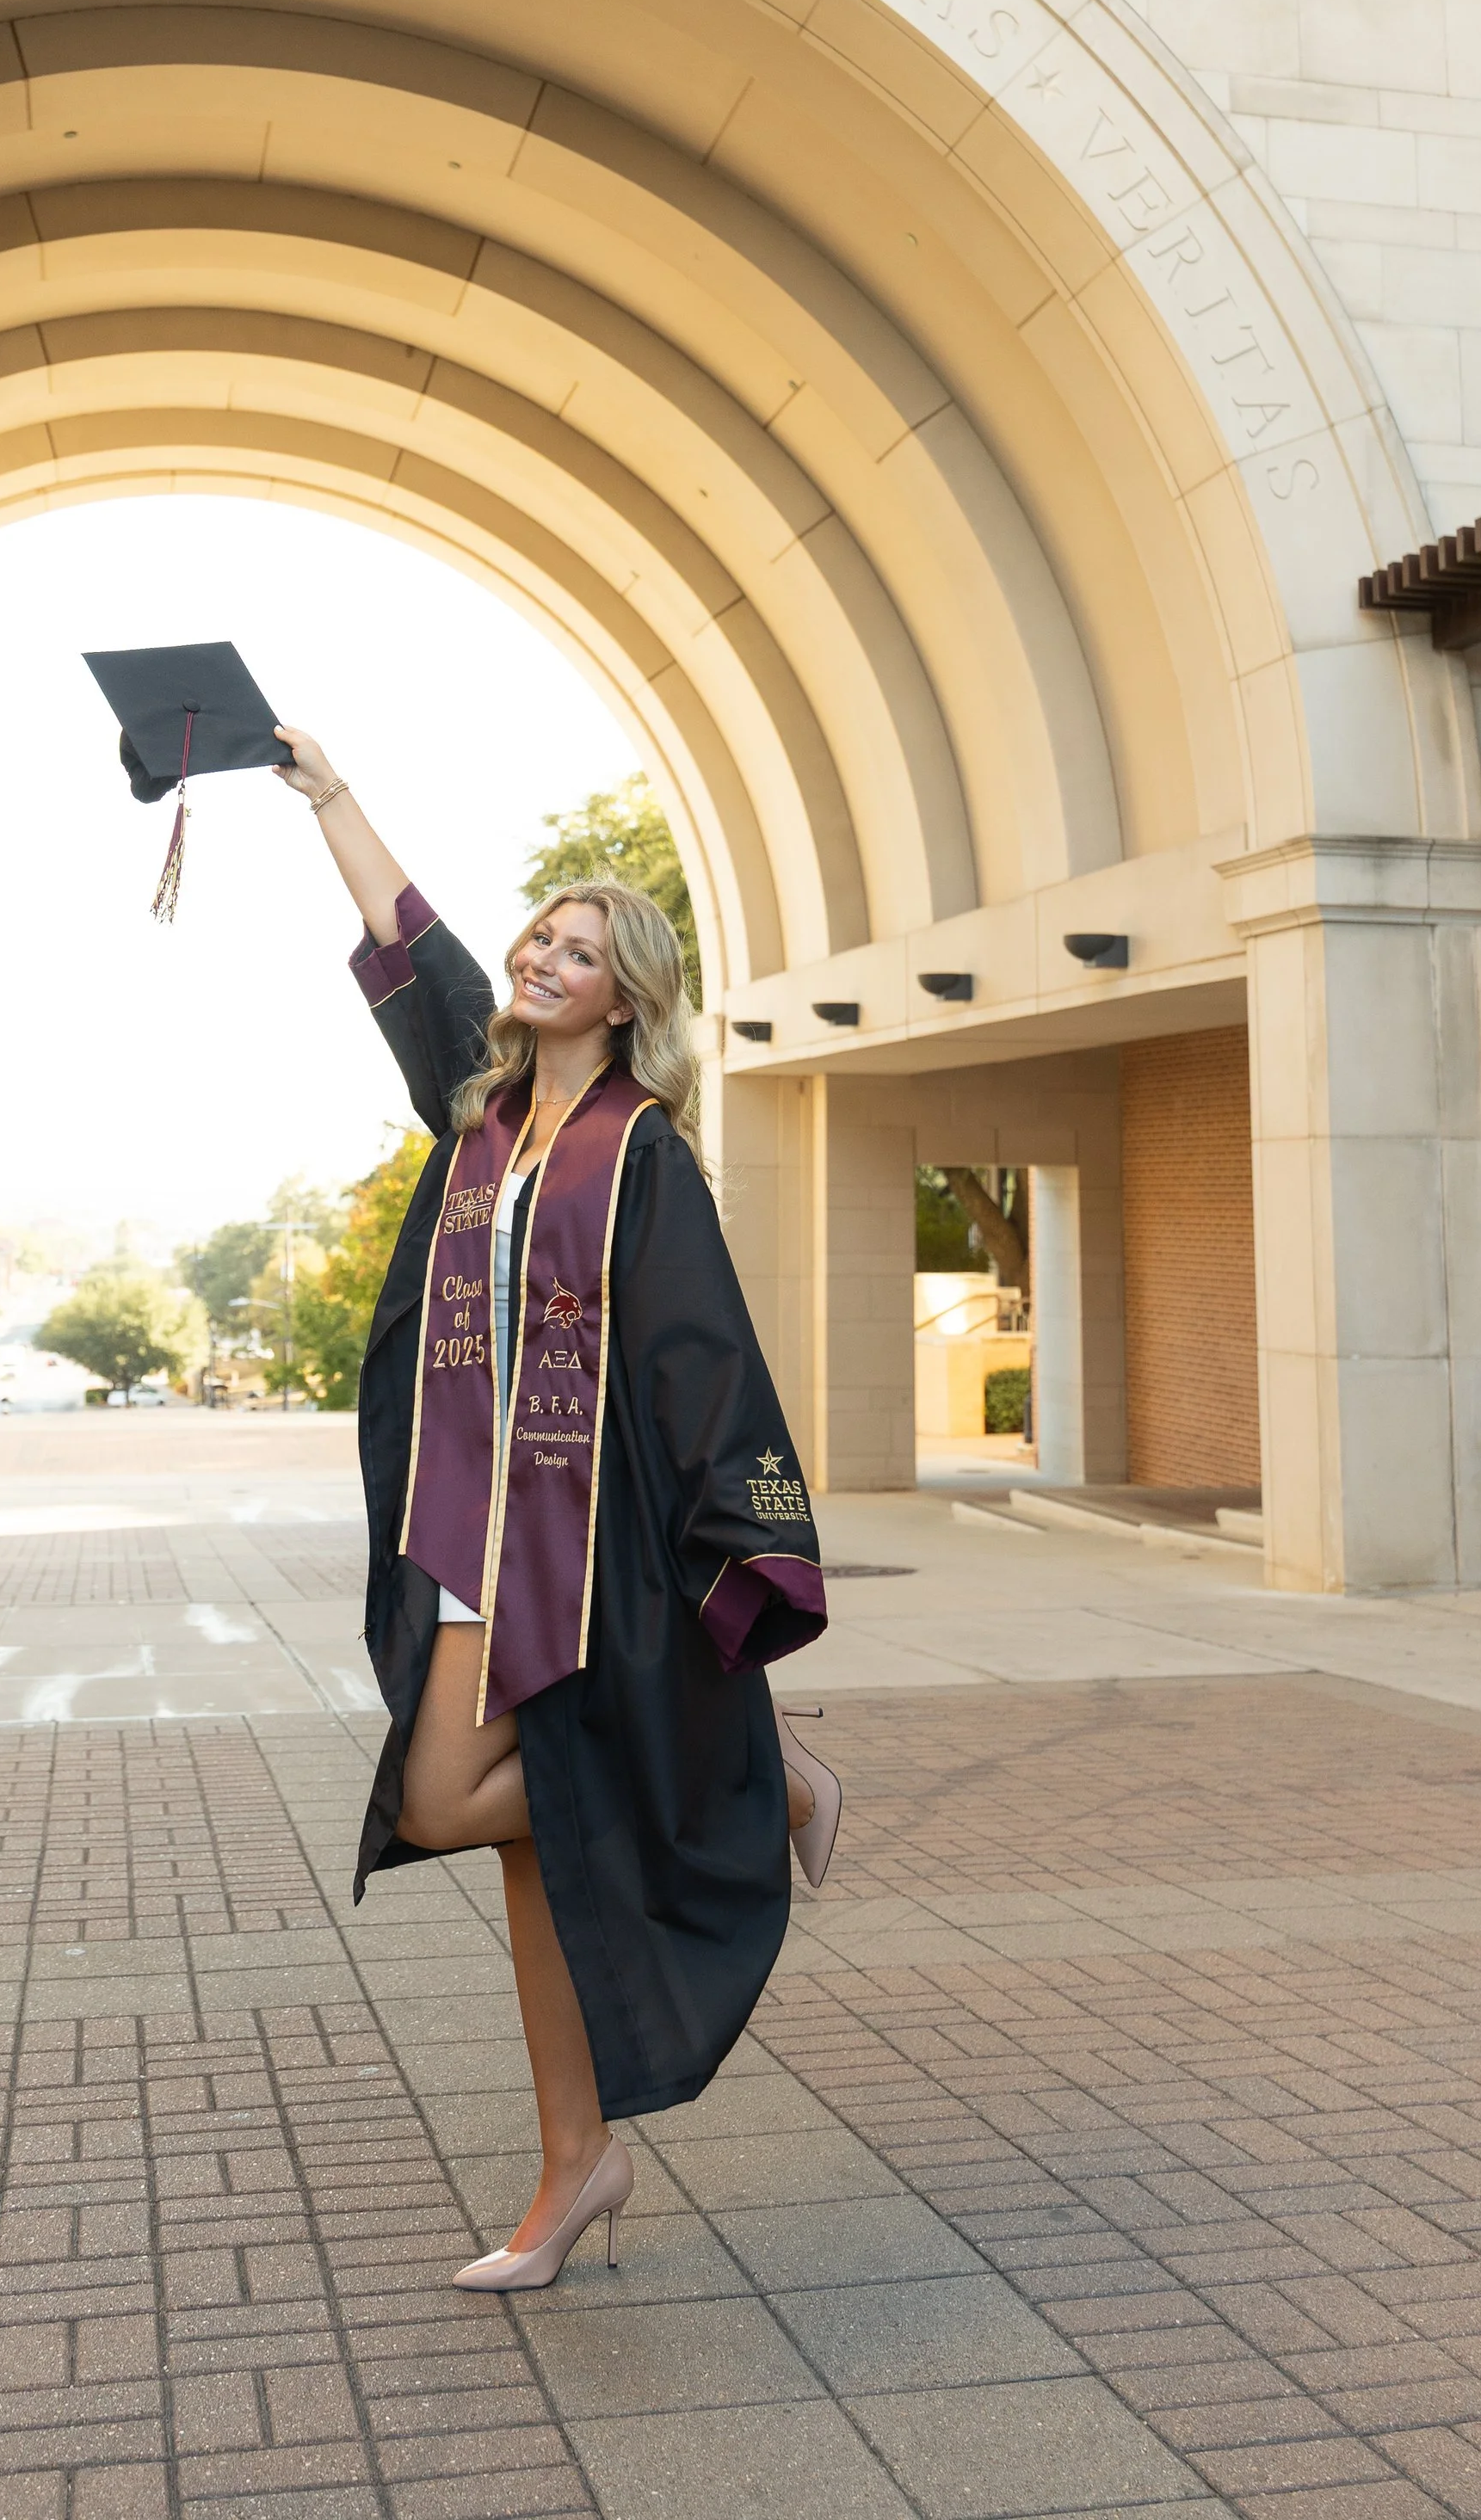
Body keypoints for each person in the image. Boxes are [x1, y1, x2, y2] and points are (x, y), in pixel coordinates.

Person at [273, 721, 842, 2293]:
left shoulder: (643, 1156)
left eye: (579, 950)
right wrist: (331, 794)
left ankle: (745, 1782)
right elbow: (415, 934)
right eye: (541, 934)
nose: (541, 955)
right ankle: (578, 2164)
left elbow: (700, 1357)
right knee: (504, 1834)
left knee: (482, 1815)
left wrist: (751, 1551)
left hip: (594, 1561)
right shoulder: (481, 1114)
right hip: (471, 1539)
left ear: (626, 996)